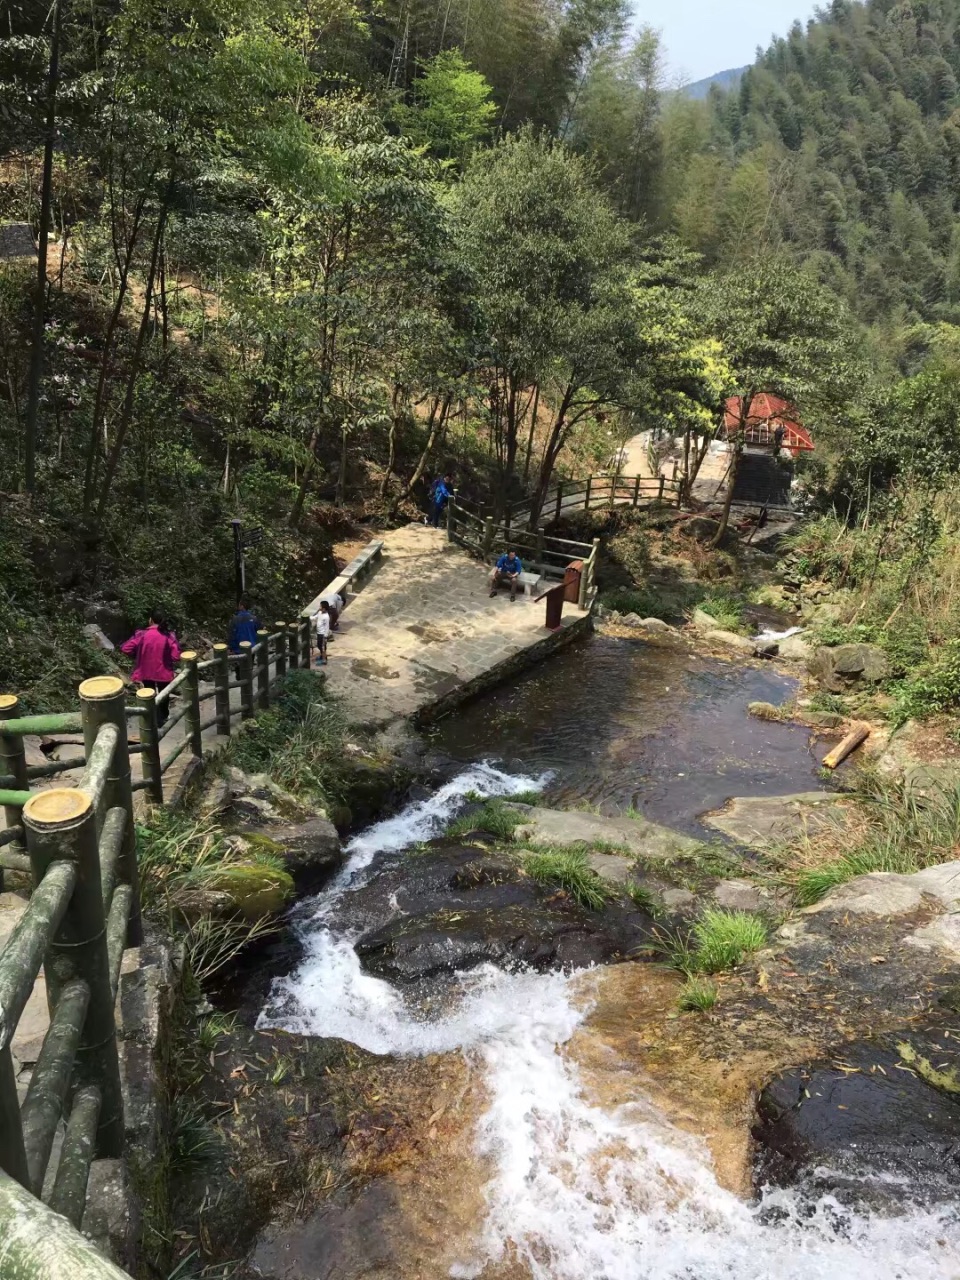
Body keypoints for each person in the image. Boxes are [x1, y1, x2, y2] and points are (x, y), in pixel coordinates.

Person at [121, 611, 181, 726]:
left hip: (146, 670)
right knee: (164, 694)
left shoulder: (141, 634)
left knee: (149, 693)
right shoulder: (169, 635)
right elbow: (176, 656)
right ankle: (162, 717)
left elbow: (126, 648)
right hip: (164, 671)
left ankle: (151, 718)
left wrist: (138, 655)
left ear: (151, 620)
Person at [314, 601, 331, 665]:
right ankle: (322, 656)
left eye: (320, 606)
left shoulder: (326, 617)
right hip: (319, 633)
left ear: (324, 608)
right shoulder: (319, 613)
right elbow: (315, 617)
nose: (319, 607)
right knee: (319, 645)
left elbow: (327, 627)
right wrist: (308, 617)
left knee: (323, 647)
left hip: (323, 634)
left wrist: (326, 636)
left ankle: (324, 659)